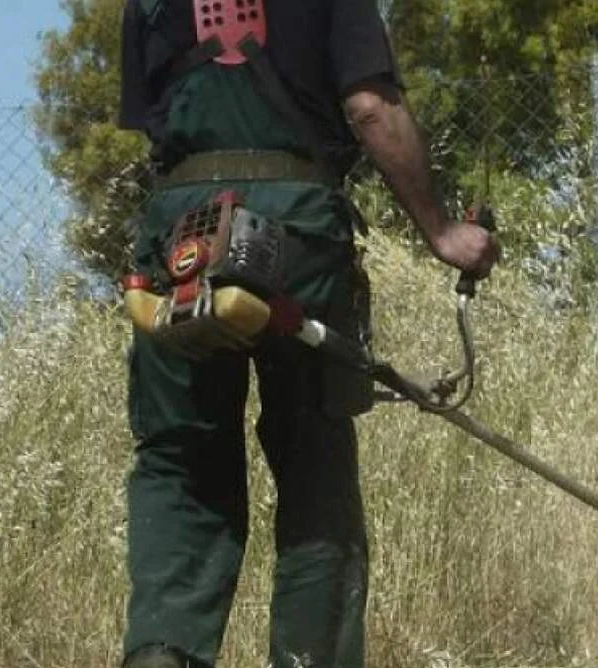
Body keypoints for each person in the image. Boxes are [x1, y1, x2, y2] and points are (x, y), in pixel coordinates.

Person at [115, 1, 500, 667]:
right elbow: (371, 108)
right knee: (314, 460)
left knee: (181, 465)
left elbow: (155, 124)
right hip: (298, 233)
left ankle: (160, 655)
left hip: (180, 238)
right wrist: (442, 231)